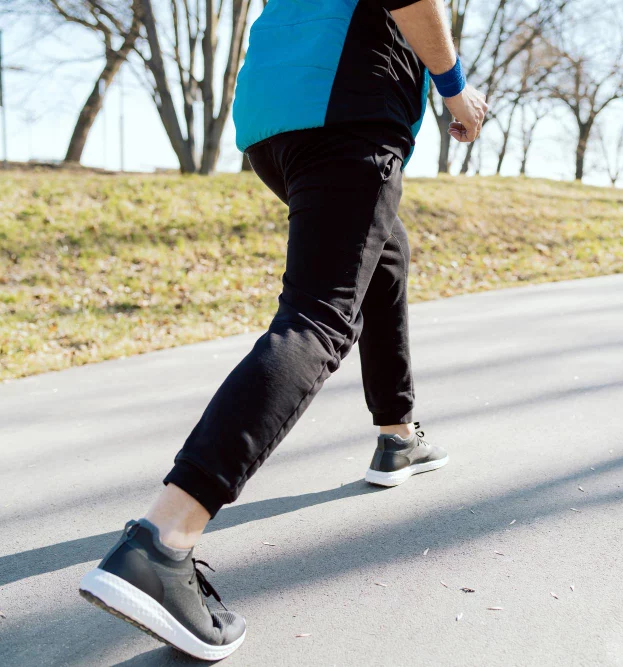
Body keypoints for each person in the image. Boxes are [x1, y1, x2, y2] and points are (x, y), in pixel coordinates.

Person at [77, 0, 488, 659]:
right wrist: (455, 88)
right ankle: (164, 539)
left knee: (384, 254)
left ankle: (398, 433)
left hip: (276, 112)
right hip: (348, 108)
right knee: (320, 316)